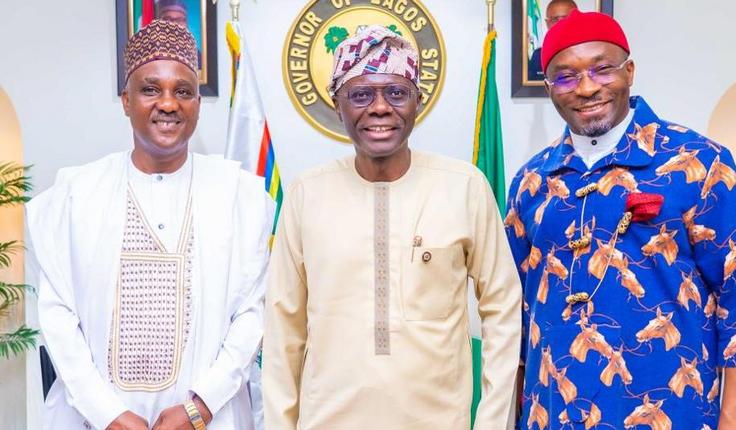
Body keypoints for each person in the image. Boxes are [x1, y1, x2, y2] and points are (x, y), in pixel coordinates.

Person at [506, 10, 736, 429]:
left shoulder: (699, 162)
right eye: (565, 76)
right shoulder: (531, 182)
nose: (587, 87)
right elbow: (518, 316)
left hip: (672, 414)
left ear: (629, 71)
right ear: (549, 87)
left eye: (602, 68)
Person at [262, 25, 522, 430]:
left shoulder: (464, 186)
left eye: (396, 93)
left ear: (417, 100)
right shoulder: (305, 194)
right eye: (361, 94)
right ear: (338, 103)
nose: (380, 108)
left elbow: (503, 309)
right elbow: (282, 330)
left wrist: (491, 422)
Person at [27, 20, 274, 430]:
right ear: (126, 100)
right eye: (150, 89)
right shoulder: (75, 194)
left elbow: (251, 315)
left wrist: (199, 408)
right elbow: (57, 316)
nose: (168, 103)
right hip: (93, 419)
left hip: (209, 418)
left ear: (197, 102)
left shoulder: (240, 196)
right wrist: (108, 414)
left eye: (183, 91)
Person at [528, 0, 578, 80]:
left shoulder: (591, 52)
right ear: (547, 23)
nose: (561, 24)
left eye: (566, 18)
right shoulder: (538, 56)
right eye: (555, 19)